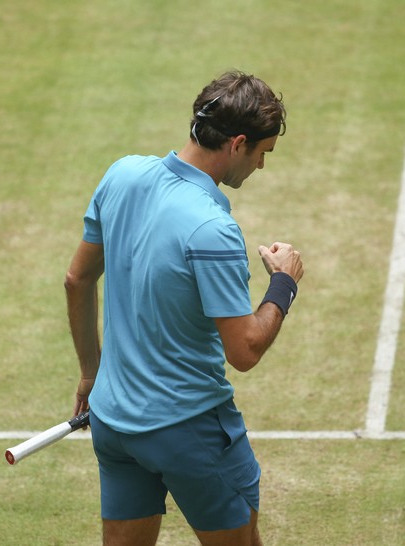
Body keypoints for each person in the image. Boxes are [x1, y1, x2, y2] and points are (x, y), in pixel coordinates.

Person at [64, 70, 304, 546]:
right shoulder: (212, 229)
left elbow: (77, 279)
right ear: (237, 143)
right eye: (262, 153)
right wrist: (283, 284)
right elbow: (245, 351)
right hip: (188, 431)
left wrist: (92, 375)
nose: (260, 167)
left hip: (114, 424)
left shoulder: (122, 174)